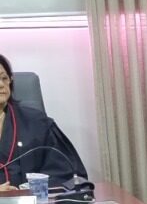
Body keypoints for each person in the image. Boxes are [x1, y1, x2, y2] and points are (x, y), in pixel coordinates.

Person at [0, 53, 87, 189]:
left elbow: (66, 173)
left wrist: (29, 190)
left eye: (4, 78)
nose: (1, 84)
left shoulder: (37, 122)